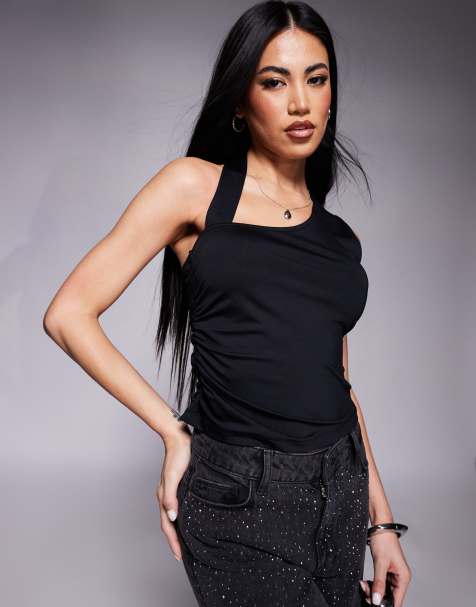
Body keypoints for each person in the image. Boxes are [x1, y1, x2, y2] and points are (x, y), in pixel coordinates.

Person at [43, 1, 412, 605]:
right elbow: (67, 315)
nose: (301, 102)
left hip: (342, 489)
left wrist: (383, 524)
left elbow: (338, 385)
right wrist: (172, 431)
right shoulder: (195, 187)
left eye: (316, 79)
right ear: (240, 102)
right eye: (275, 82)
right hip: (243, 497)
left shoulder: (338, 239)